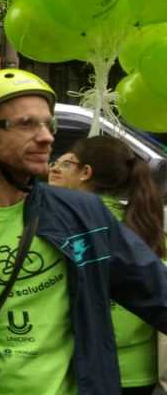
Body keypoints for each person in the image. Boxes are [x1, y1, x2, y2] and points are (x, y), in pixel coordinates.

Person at [0, 69, 167, 395]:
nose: (48, 137)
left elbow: (155, 291)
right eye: (27, 124)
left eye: (48, 124)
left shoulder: (83, 215)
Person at [49, 135, 166, 395]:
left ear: (85, 173)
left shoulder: (76, 227)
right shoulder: (144, 222)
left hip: (91, 369)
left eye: (68, 165)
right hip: (140, 371)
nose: (55, 169)